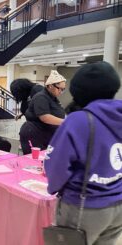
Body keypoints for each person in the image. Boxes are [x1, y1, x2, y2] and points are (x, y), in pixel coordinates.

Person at [44, 61, 122, 245]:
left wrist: (54, 188)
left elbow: (56, 166)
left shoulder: (78, 120)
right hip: (117, 204)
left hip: (84, 204)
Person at [19, 70, 66, 154]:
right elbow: (45, 117)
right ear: (51, 86)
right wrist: (66, 122)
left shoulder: (53, 98)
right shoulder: (41, 97)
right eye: (60, 89)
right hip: (34, 133)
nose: (61, 92)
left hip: (46, 134)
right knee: (35, 161)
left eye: (63, 89)